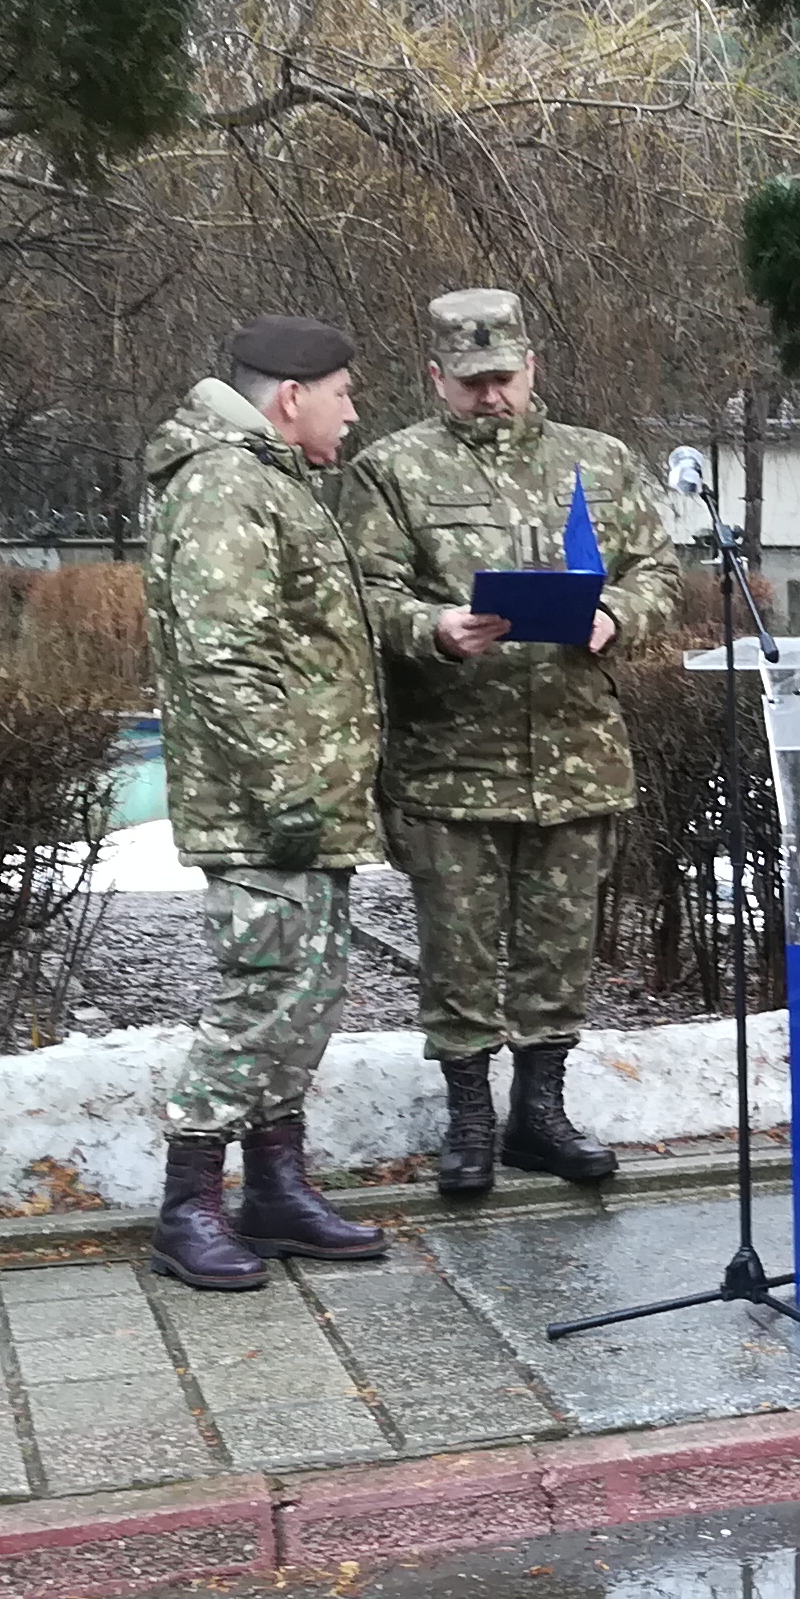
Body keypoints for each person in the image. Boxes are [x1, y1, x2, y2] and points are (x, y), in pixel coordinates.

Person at [140, 313, 502, 1290]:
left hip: (304, 808)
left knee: (302, 1002)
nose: (352, 413)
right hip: (266, 813)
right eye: (342, 395)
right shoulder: (224, 485)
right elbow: (224, 658)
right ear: (292, 397)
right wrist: (287, 789)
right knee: (260, 999)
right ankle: (186, 1206)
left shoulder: (270, 479)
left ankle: (274, 1190)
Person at [341, 287, 681, 1200]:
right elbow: (361, 594)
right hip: (451, 761)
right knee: (457, 952)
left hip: (574, 754)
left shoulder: (599, 462)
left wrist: (617, 614)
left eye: (503, 377)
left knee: (558, 950)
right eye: (470, 382)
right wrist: (431, 627)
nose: (490, 396)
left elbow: (659, 571)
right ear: (435, 378)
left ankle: (539, 1114)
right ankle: (468, 1118)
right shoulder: (391, 471)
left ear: (532, 367)